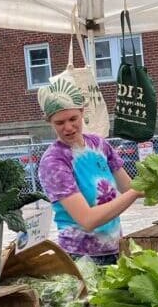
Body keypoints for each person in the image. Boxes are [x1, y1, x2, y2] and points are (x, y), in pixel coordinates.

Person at [36, 81, 142, 265]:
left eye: (73, 119)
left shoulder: (99, 145)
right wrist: (135, 193)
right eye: (59, 122)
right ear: (49, 122)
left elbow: (128, 186)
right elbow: (87, 220)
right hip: (81, 257)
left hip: (116, 248)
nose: (68, 127)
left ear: (82, 112)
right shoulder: (54, 162)